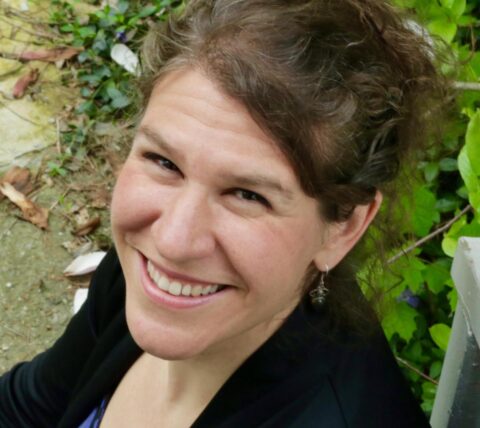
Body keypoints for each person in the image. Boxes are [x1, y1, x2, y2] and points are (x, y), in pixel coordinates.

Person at [1, 0, 445, 426]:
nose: (173, 240)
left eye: (248, 195)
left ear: (343, 227)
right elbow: (29, 408)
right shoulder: (139, 271)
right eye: (164, 162)